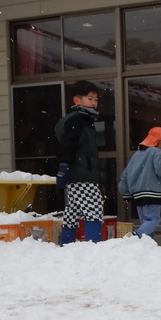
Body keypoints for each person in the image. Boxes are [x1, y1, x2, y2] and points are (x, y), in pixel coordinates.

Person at [54, 80, 106, 244]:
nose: (94, 103)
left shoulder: (84, 120)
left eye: (96, 100)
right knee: (94, 207)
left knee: (73, 210)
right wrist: (64, 166)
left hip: (80, 172)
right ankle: (94, 244)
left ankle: (66, 244)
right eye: (90, 99)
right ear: (77, 100)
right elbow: (68, 146)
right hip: (82, 173)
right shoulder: (78, 120)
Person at [118, 126, 161, 239]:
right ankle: (136, 235)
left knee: (145, 222)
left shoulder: (136, 155)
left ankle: (147, 243)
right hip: (151, 192)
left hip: (137, 196)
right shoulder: (155, 152)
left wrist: (126, 194)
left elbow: (125, 175)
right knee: (153, 219)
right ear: (159, 142)